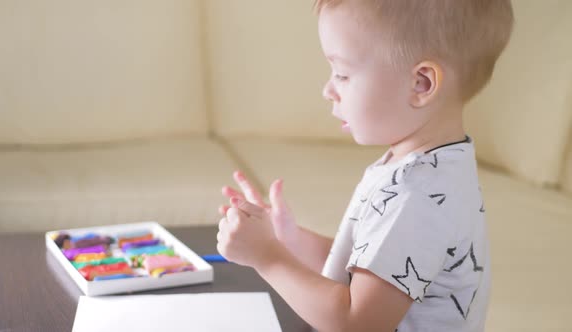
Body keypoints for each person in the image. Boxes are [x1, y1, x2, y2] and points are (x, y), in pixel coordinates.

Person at [216, 0, 513, 330]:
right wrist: (291, 240)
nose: (328, 89)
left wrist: (267, 256)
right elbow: (372, 272)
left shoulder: (418, 195)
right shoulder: (430, 166)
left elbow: (356, 322)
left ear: (422, 84)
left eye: (342, 73)